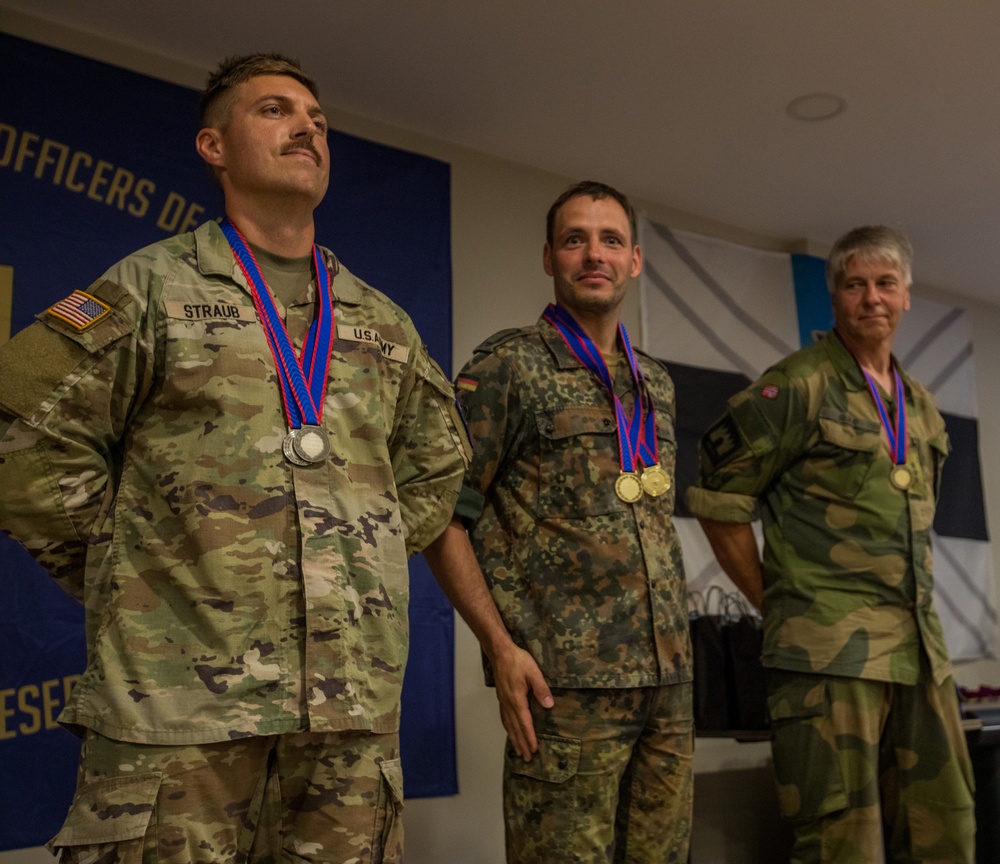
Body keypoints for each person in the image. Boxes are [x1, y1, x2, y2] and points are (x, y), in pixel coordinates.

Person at [0, 53, 469, 863]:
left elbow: (434, 466)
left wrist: (365, 551)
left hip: (347, 718)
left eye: (318, 121)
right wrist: (130, 563)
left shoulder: (380, 319)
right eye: (276, 111)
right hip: (177, 716)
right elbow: (20, 419)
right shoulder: (149, 287)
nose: (307, 129)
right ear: (214, 147)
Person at [687, 225, 975, 862]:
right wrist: (781, 603)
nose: (871, 297)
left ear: (905, 297)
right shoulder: (794, 386)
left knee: (948, 830)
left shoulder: (921, 409)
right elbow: (717, 502)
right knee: (843, 845)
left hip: (921, 653)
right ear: (836, 298)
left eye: (884, 284)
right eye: (855, 285)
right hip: (827, 657)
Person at [425, 181, 693, 863]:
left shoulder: (655, 384)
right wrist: (498, 645)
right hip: (566, 690)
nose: (592, 254)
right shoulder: (507, 365)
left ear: (634, 260)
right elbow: (439, 517)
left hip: (667, 686)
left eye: (609, 240)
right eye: (575, 239)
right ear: (549, 257)